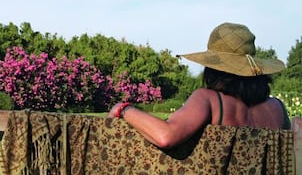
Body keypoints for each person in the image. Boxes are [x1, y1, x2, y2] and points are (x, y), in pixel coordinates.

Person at [109, 22, 291, 149]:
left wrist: (123, 109)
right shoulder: (277, 108)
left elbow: (166, 136)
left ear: (213, 67)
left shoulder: (209, 99)